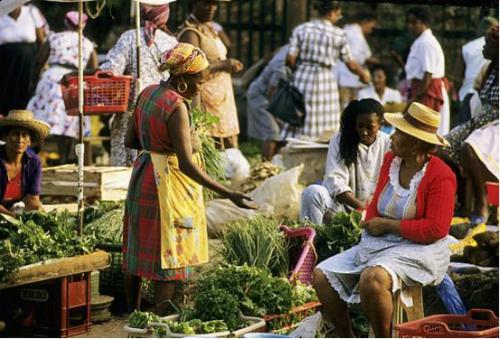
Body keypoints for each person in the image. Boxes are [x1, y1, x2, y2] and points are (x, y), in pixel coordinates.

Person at [122, 43, 255, 315]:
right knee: (170, 256)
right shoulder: (176, 106)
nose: (201, 88)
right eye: (199, 81)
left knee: (137, 252)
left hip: (143, 176)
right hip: (168, 186)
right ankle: (163, 322)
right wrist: (228, 192)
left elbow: (131, 140)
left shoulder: (148, 93)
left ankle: (132, 315)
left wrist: (158, 142)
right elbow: (187, 165)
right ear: (182, 79)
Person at [312, 102, 456, 337]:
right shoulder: (392, 161)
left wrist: (388, 225)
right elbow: (376, 203)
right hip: (383, 242)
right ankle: (346, 335)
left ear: (415, 143)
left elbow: (436, 229)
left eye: (398, 133)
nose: (392, 137)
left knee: (373, 278)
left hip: (422, 248)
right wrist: (369, 221)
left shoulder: (441, 175)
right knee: (321, 276)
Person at [100, 2, 178, 166]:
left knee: (126, 164)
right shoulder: (172, 43)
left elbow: (110, 70)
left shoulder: (129, 37)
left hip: (132, 110)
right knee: (155, 161)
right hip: (161, 110)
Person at [282, 0, 370, 140]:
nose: (338, 18)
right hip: (325, 79)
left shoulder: (302, 29)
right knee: (324, 118)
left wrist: (296, 71)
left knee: (300, 115)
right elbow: (351, 64)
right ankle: (321, 146)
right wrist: (363, 75)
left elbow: (290, 59)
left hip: (302, 77)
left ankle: (296, 144)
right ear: (332, 12)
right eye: (338, 15)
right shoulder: (338, 35)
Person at [300, 99, 390, 224]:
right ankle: (310, 238)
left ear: (380, 124)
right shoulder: (340, 139)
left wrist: (370, 211)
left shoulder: (388, 143)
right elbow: (335, 180)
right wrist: (361, 207)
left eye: (370, 128)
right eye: (360, 126)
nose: (364, 132)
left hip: (377, 213)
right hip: (342, 208)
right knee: (312, 193)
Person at [27, 11, 98, 165]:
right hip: (74, 81)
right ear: (83, 25)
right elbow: (95, 68)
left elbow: (39, 61)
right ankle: (64, 158)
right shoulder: (87, 43)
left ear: (66, 23)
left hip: (51, 79)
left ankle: (31, 157)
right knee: (69, 123)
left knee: (40, 119)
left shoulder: (54, 38)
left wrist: (33, 82)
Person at [438, 25, 499, 200]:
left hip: (496, 125)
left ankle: (482, 202)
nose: (483, 47)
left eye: (487, 43)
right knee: (442, 149)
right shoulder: (489, 70)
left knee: (469, 149)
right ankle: (459, 197)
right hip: (481, 121)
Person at [178, 0, 242, 150]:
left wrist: (229, 64)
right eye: (206, 3)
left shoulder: (210, 29)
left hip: (221, 101)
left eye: (214, 4)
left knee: (227, 152)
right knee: (209, 146)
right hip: (205, 100)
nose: (211, 8)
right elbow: (189, 68)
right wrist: (223, 65)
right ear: (193, 5)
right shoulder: (190, 33)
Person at [405, 6, 449, 135]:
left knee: (425, 131)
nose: (410, 26)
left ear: (424, 23)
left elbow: (428, 74)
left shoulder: (426, 42)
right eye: (409, 22)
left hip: (428, 91)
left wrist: (416, 97)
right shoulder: (421, 41)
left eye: (414, 22)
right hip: (422, 89)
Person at [0, 110, 50, 217]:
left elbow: (32, 199)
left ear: (29, 141)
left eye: (24, 135)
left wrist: (35, 214)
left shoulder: (34, 162)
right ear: (5, 137)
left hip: (14, 210)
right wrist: (12, 217)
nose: (20, 140)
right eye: (15, 134)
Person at [0, 4, 47, 116]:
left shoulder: (31, 11)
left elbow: (42, 41)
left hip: (29, 63)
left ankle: (24, 120)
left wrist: (43, 62)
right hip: (5, 63)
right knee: (6, 91)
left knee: (26, 90)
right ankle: (6, 122)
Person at [246, 45, 288, 161]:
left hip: (273, 98)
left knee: (283, 133)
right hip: (261, 96)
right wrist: (277, 116)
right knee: (272, 132)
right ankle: (266, 168)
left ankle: (276, 165)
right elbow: (272, 91)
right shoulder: (283, 63)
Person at [460, 120, 499, 225]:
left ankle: (482, 203)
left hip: (490, 117)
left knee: (470, 146)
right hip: (483, 119)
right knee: (465, 148)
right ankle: (469, 203)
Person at [337, 11, 378, 109]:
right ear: (365, 22)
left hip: (349, 77)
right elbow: (356, 58)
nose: (371, 31)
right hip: (349, 78)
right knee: (347, 109)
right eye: (371, 27)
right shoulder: (354, 33)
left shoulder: (351, 30)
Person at [455, 17, 498, 103]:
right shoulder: (491, 68)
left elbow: (457, 77)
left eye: (486, 43)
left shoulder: (467, 47)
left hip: (467, 94)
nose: (483, 46)